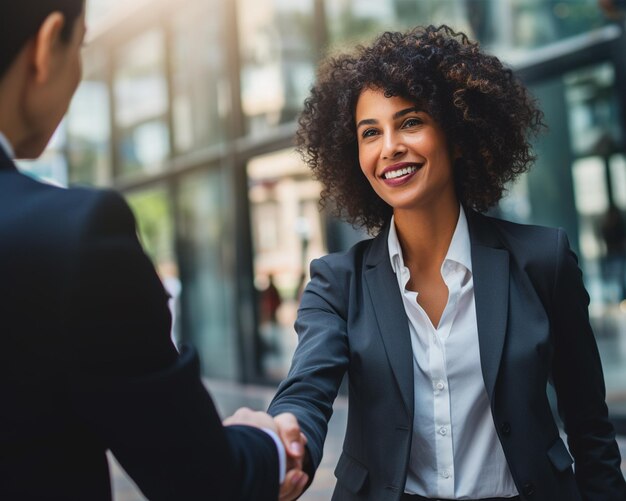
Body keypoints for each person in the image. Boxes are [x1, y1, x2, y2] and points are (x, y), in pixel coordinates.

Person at [268, 25, 626, 501]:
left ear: (457, 136)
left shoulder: (544, 260)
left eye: (410, 122)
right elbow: (306, 391)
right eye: (370, 133)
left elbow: (590, 427)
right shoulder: (337, 283)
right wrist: (282, 446)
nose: (389, 146)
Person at [0, 1, 309, 500]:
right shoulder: (72, 240)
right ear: (46, 45)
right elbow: (206, 482)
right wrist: (265, 441)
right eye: (79, 46)